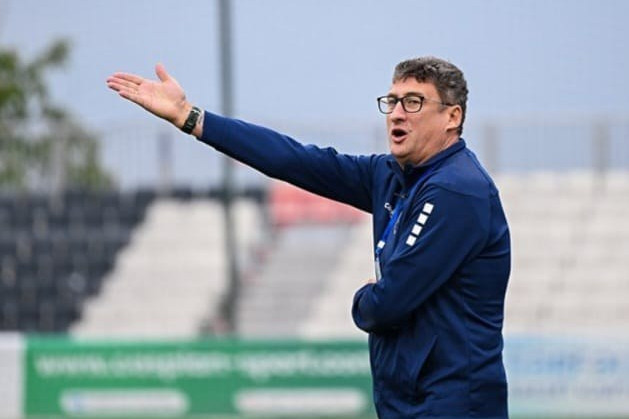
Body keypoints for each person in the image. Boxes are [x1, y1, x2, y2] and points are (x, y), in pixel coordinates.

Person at [107, 56, 511, 418]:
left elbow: (387, 305)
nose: (396, 114)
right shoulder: (391, 176)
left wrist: (363, 299)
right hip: (410, 402)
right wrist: (190, 117)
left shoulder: (457, 190)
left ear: (452, 117)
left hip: (456, 405)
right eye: (392, 102)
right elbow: (294, 159)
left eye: (413, 102)